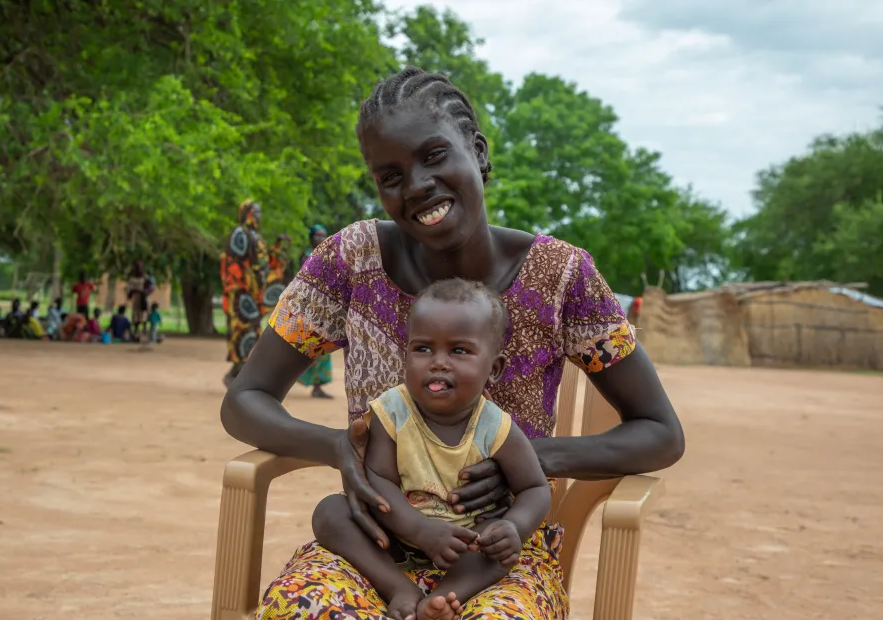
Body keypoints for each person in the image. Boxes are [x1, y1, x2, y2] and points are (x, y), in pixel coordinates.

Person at [221, 67, 684, 619]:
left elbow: (661, 432)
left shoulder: (561, 276)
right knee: (307, 610)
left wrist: (532, 459)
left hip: (498, 552)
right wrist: (338, 448)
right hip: (376, 544)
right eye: (390, 176)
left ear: (479, 153)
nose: (416, 185)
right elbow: (243, 400)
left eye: (435, 156)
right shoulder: (349, 262)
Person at [313, 279, 551, 619]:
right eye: (423, 349)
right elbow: (378, 480)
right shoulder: (392, 411)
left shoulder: (495, 426)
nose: (438, 362)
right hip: (394, 538)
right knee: (330, 512)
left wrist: (514, 525)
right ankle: (399, 587)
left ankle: (440, 599)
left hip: (465, 546)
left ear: (493, 369)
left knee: (495, 549)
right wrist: (420, 531)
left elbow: (535, 487)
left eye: (459, 351)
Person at [219, 199, 269, 388]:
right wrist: (242, 287)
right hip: (241, 294)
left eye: (259, 212)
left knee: (252, 331)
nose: (258, 216)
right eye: (255, 212)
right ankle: (235, 376)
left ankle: (237, 376)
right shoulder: (240, 233)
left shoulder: (254, 235)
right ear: (247, 213)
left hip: (252, 295)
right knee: (243, 330)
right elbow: (232, 264)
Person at [295, 224, 335, 399]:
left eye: (324, 235)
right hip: (309, 307)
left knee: (322, 347)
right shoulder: (307, 256)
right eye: (317, 235)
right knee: (306, 346)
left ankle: (318, 386)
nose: (321, 238)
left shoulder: (329, 256)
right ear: (311, 238)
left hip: (324, 308)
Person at [127, 260, 149, 337]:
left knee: (143, 313)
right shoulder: (132, 278)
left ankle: (144, 330)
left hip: (143, 297)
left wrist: (145, 292)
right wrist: (130, 294)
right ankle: (136, 331)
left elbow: (149, 287)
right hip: (135, 297)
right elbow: (129, 288)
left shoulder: (145, 277)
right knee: (136, 313)